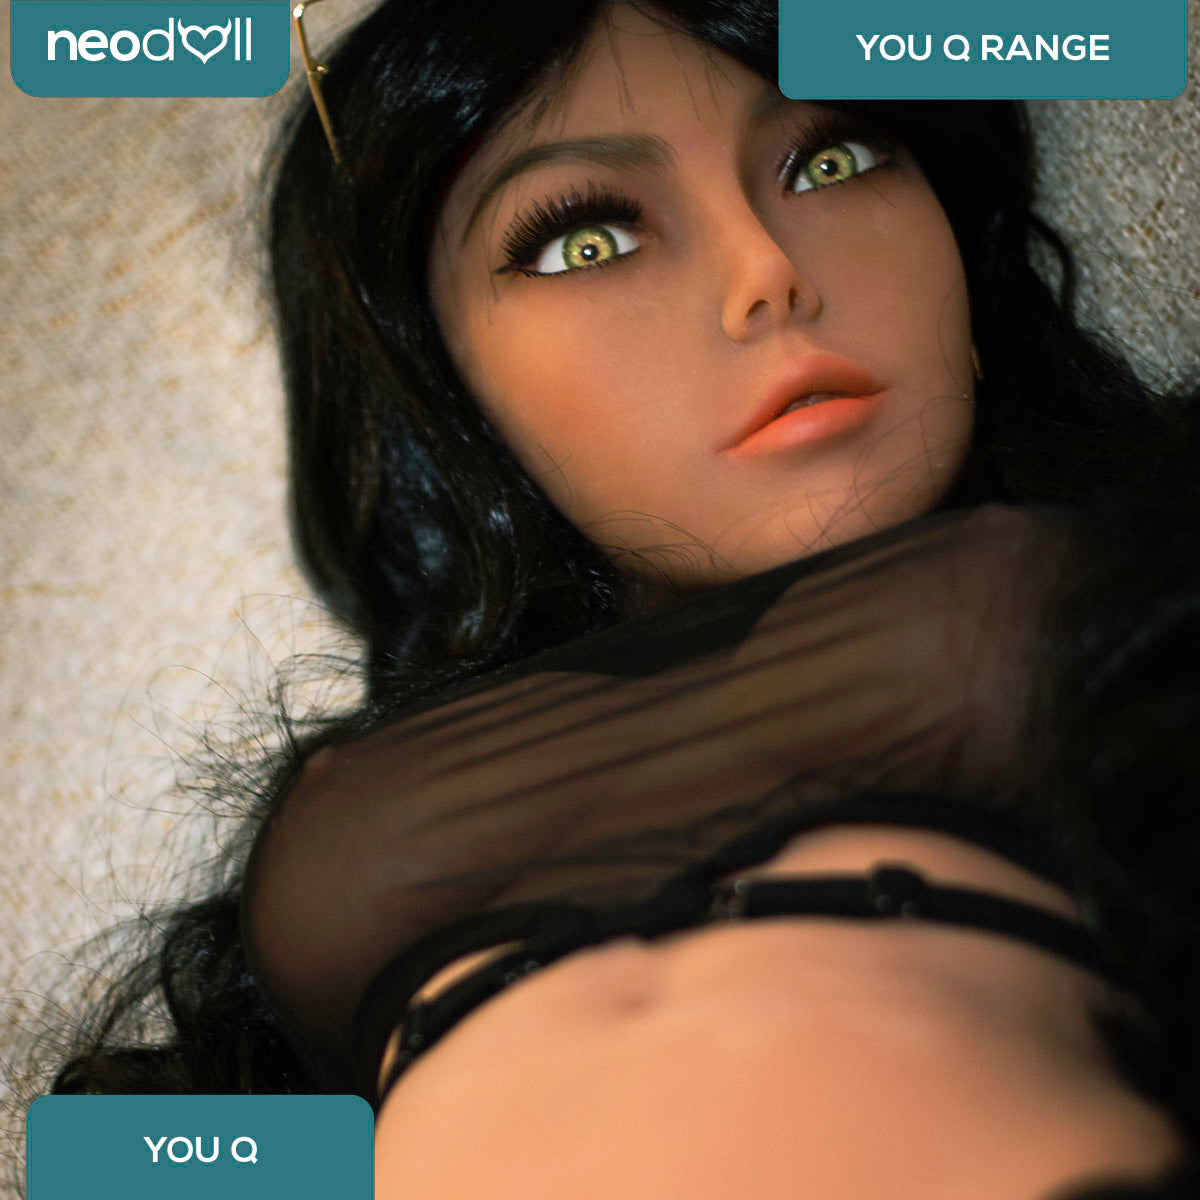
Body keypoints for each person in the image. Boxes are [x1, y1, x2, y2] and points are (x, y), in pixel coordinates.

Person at [19, 1, 1200, 1196]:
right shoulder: (394, 777)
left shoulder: (1135, 547)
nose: (767, 272)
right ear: (448, 388)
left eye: (831, 160)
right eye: (587, 240)